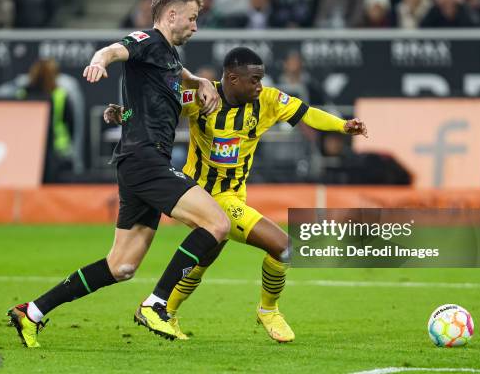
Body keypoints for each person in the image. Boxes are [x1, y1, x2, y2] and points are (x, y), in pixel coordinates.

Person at [7, 0, 231, 347]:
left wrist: (201, 81)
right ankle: (157, 304)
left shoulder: (168, 58)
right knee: (217, 223)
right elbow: (115, 49)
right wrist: (99, 61)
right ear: (171, 15)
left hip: (137, 161)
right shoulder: (149, 40)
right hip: (145, 160)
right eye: (192, 18)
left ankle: (31, 311)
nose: (195, 26)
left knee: (121, 266)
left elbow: (168, 85)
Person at [104, 47, 367, 342]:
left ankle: (167, 311)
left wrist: (342, 126)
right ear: (231, 78)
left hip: (232, 198)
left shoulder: (267, 101)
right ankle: (269, 310)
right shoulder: (202, 96)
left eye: (261, 79)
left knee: (202, 261)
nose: (259, 86)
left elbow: (307, 113)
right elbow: (155, 110)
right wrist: (123, 113)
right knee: (283, 246)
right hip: (201, 196)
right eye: (253, 80)